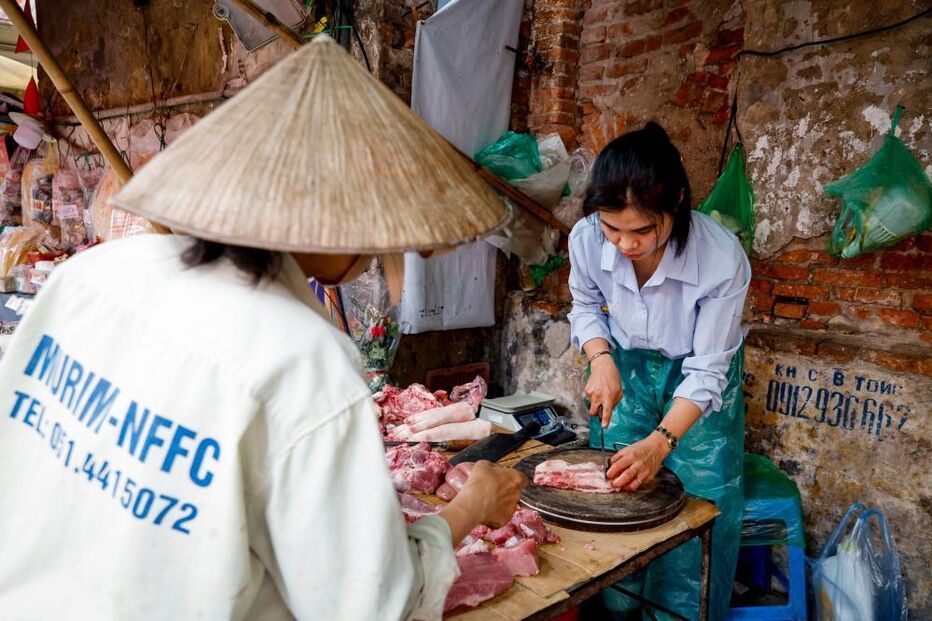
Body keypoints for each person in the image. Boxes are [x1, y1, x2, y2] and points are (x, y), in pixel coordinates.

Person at [0, 36, 523, 620]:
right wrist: (470, 505)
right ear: (336, 227)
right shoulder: (305, 359)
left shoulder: (90, 276)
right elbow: (370, 602)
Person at [568, 122, 750, 620]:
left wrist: (662, 441)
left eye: (643, 230)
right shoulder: (585, 239)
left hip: (697, 386)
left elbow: (710, 368)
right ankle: (615, 613)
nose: (625, 244)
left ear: (678, 204)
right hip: (625, 368)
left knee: (695, 514)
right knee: (617, 501)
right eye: (612, 228)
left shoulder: (719, 258)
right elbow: (584, 303)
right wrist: (600, 358)